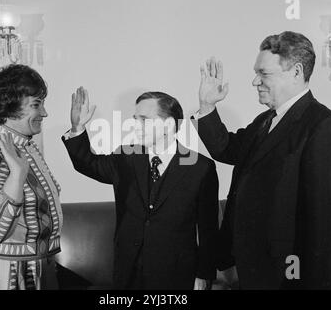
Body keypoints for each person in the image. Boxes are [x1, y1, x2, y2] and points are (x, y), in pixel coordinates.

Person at [194, 31, 331, 289]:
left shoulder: (324, 127)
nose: (255, 81)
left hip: (287, 276)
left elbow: (326, 228)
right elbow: (226, 149)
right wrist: (206, 106)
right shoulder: (265, 120)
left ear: (296, 72)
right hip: (253, 268)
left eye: (264, 73)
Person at [62, 87, 219, 289]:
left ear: (169, 124)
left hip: (176, 276)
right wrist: (77, 128)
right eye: (135, 119)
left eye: (144, 120)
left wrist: (203, 275)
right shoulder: (126, 157)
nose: (136, 126)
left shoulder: (200, 167)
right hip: (128, 273)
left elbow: (208, 229)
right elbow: (88, 163)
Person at [0, 64, 63, 290]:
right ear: (10, 108)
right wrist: (17, 176)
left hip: (28, 265)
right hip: (0, 273)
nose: (44, 112)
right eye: (36, 104)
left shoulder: (24, 146)